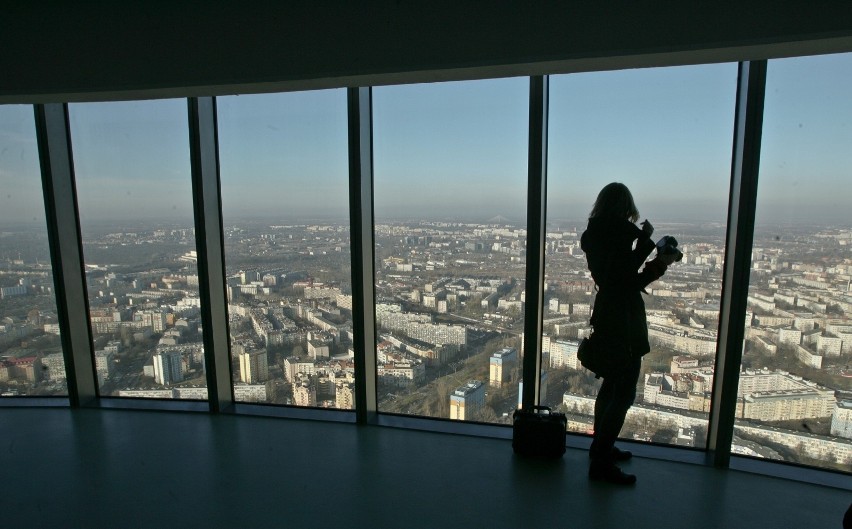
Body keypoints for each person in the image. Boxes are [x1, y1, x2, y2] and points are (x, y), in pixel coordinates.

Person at [580, 182, 678, 485]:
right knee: (622, 393)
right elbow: (626, 281)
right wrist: (660, 263)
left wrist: (644, 244)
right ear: (625, 207)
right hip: (623, 319)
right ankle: (601, 460)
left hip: (607, 314)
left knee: (610, 386)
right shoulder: (619, 234)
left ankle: (601, 447)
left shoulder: (594, 234)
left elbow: (614, 276)